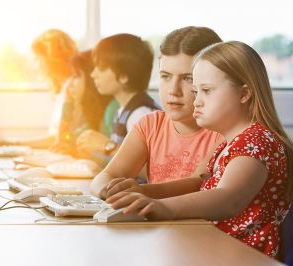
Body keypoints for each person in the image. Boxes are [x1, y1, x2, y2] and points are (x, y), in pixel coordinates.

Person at [107, 41, 293, 257]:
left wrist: (162, 207)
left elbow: (228, 198)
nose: (197, 101)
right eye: (195, 91)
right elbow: (201, 185)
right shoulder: (228, 142)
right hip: (217, 250)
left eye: (206, 91)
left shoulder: (257, 142)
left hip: (243, 258)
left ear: (244, 94)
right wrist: (145, 192)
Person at [90, 26, 223, 199]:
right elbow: (105, 177)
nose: (173, 90)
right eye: (166, 76)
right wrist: (108, 191)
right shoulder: (149, 125)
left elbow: (194, 187)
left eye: (188, 78)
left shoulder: (224, 133)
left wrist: (139, 192)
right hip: (157, 225)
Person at [0, 29, 78, 149]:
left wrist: (10, 142)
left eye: (37, 59)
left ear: (50, 59)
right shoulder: (64, 89)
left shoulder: (73, 89)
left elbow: (56, 139)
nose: (35, 65)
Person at [76, 33, 160, 163]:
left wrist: (106, 145)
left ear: (123, 76)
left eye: (101, 68)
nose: (93, 74)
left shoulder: (141, 114)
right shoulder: (123, 111)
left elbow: (152, 167)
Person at [51, 50, 113, 156]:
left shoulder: (110, 111)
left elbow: (108, 157)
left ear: (90, 79)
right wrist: (68, 104)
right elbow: (60, 142)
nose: (70, 83)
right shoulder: (85, 109)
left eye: (75, 76)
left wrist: (75, 153)